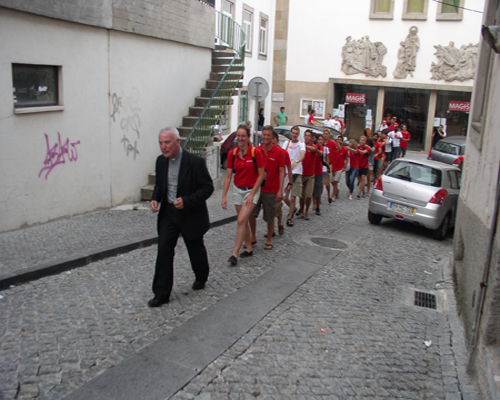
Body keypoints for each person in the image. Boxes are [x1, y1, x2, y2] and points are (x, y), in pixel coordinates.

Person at [148, 127, 214, 307]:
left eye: (167, 142)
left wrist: (187, 201)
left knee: (195, 248)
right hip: (169, 214)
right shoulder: (161, 162)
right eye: (161, 143)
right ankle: (161, 293)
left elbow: (207, 188)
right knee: (164, 250)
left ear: (177, 141)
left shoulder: (195, 162)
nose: (163, 147)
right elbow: (160, 185)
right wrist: (155, 198)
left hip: (190, 213)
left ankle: (201, 276)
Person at [222, 124, 265, 265]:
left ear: (248, 137)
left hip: (251, 190)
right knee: (243, 220)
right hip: (237, 190)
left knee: (240, 220)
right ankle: (249, 248)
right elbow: (228, 176)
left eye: (243, 136)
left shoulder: (255, 153)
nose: (240, 138)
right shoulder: (232, 154)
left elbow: (261, 175)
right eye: (238, 135)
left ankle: (235, 253)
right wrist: (223, 196)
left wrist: (252, 193)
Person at [249, 126, 285, 250]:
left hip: (271, 189)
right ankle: (253, 236)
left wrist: (280, 190)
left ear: (272, 137)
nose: (265, 137)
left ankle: (269, 239)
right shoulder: (256, 150)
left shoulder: (279, 152)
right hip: (257, 189)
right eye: (264, 134)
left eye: (268, 135)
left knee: (270, 216)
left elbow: (282, 171)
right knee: (251, 214)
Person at [282, 126, 305, 227]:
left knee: (293, 196)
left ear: (298, 134)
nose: (295, 135)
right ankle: (293, 208)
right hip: (287, 172)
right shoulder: (286, 144)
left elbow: (302, 154)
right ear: (291, 133)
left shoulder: (301, 144)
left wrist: (296, 161)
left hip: (297, 172)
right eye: (293, 133)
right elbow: (282, 155)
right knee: (284, 196)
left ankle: (289, 217)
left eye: (296, 133)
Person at [272, 130, 292, 236]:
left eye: (273, 139)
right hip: (270, 182)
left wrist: (290, 182)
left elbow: (288, 168)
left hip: (281, 181)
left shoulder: (283, 152)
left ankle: (279, 221)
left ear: (277, 140)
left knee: (278, 205)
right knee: (270, 206)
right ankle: (271, 229)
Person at [298, 130, 321, 219]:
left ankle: (307, 209)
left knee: (308, 195)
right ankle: (302, 211)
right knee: (301, 195)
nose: (307, 137)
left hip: (311, 175)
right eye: (306, 135)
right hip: (301, 173)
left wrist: (308, 147)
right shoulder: (300, 146)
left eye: (309, 135)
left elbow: (317, 151)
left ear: (312, 138)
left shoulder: (313, 147)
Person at [330, 135, 348, 202]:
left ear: (342, 141)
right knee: (332, 182)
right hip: (333, 166)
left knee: (335, 181)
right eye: (338, 139)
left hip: (339, 168)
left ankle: (333, 195)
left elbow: (346, 159)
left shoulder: (344, 149)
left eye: (340, 140)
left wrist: (344, 166)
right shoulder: (334, 147)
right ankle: (336, 190)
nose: (339, 141)